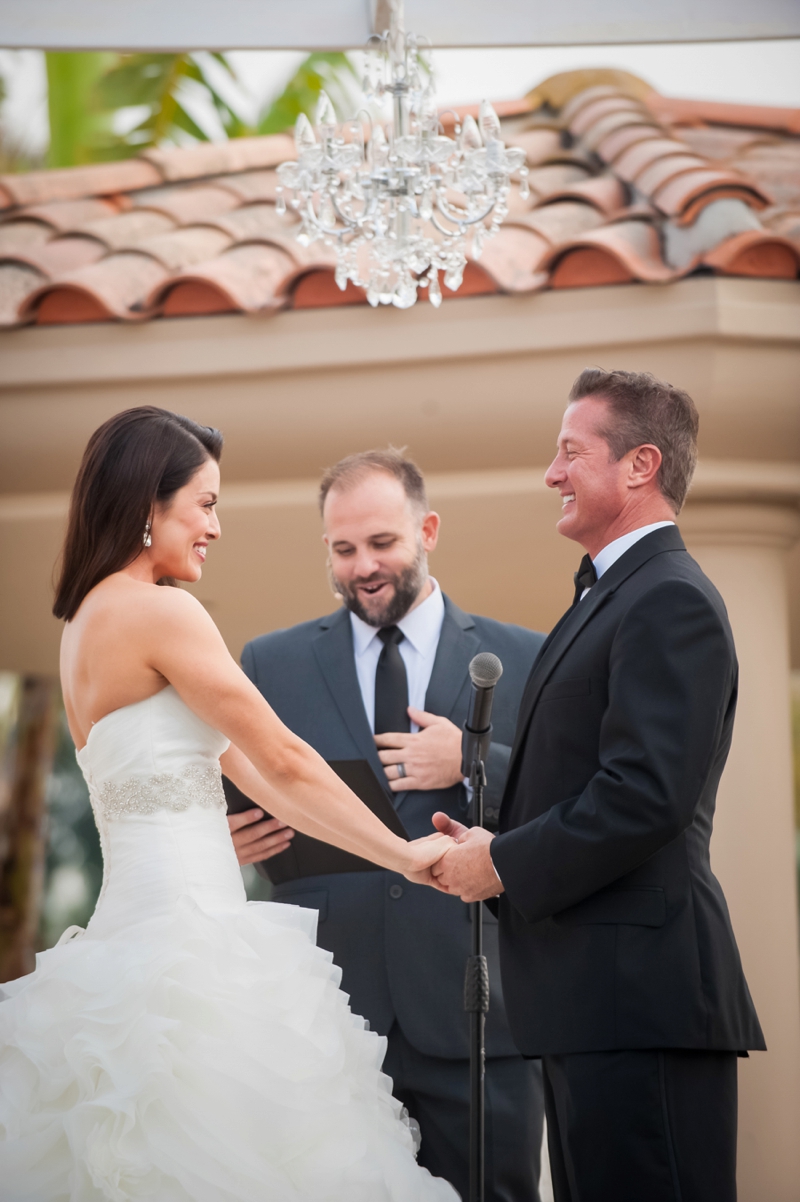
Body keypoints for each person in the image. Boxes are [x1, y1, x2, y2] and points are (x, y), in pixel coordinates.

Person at [0, 406, 459, 1202]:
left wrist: (390, 854)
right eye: (205, 502)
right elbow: (283, 757)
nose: (216, 525)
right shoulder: (162, 610)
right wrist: (407, 855)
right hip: (191, 963)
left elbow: (257, 775)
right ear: (151, 503)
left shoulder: (84, 623)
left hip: (122, 953)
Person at [431, 370, 765, 1202]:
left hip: (638, 1001)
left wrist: (502, 864)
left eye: (570, 453)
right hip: (595, 1003)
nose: (551, 474)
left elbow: (644, 795)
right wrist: (491, 843)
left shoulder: (670, 600)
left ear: (639, 465)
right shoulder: (610, 597)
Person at [227, 449, 545, 1202]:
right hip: (325, 1019)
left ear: (428, 529)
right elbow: (234, 801)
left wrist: (473, 759)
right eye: (343, 550)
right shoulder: (268, 664)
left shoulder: (527, 657)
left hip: (480, 1010)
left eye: (382, 544)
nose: (362, 567)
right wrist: (223, 845)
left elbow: (575, 805)